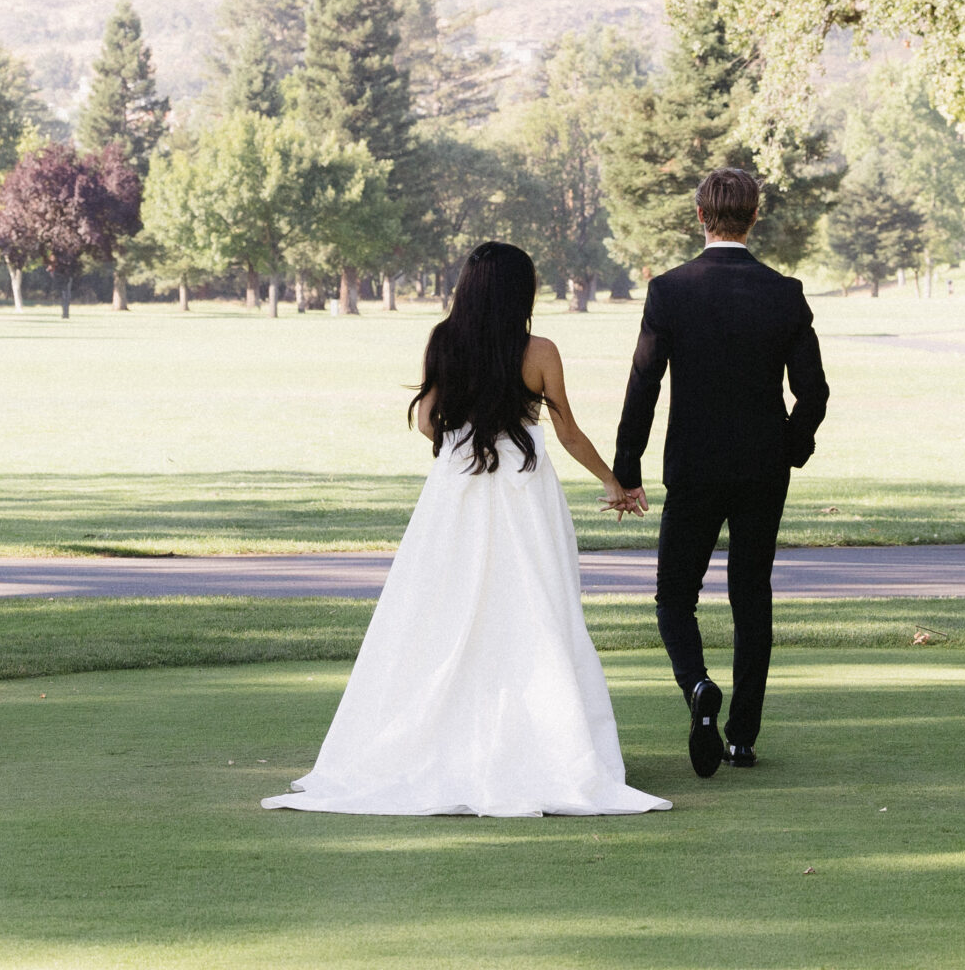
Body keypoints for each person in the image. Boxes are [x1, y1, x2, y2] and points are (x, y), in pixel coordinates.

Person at [265, 242, 667, 817]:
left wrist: (460, 447)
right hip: (524, 494)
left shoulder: (444, 341)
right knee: (533, 608)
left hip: (456, 490)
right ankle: (549, 747)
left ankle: (436, 741)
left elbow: (428, 418)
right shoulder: (540, 351)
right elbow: (570, 432)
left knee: (441, 608)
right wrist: (614, 483)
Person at [611, 167, 828, 779]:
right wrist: (790, 446)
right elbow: (813, 392)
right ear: (754, 217)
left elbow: (643, 387)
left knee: (674, 596)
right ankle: (741, 738)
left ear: (700, 217)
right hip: (762, 469)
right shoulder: (784, 292)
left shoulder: (670, 290)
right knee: (749, 596)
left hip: (695, 467)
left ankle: (697, 688)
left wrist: (626, 470)